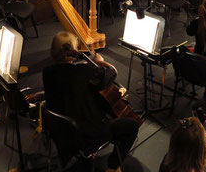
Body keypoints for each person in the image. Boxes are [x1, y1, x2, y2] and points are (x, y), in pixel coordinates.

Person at [43, 31, 139, 172]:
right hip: (87, 137)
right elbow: (112, 72)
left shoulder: (47, 72)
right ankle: (112, 166)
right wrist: (99, 62)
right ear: (74, 51)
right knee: (132, 125)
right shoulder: (86, 71)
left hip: (60, 133)